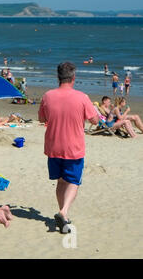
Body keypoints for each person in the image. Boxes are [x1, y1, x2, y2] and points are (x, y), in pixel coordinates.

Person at [38, 62, 99, 234]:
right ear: (73, 78)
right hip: (73, 147)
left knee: (61, 181)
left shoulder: (47, 96)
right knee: (73, 181)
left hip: (53, 146)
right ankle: (63, 212)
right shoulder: (82, 97)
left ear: (58, 77)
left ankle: (63, 217)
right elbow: (95, 120)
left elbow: (42, 119)